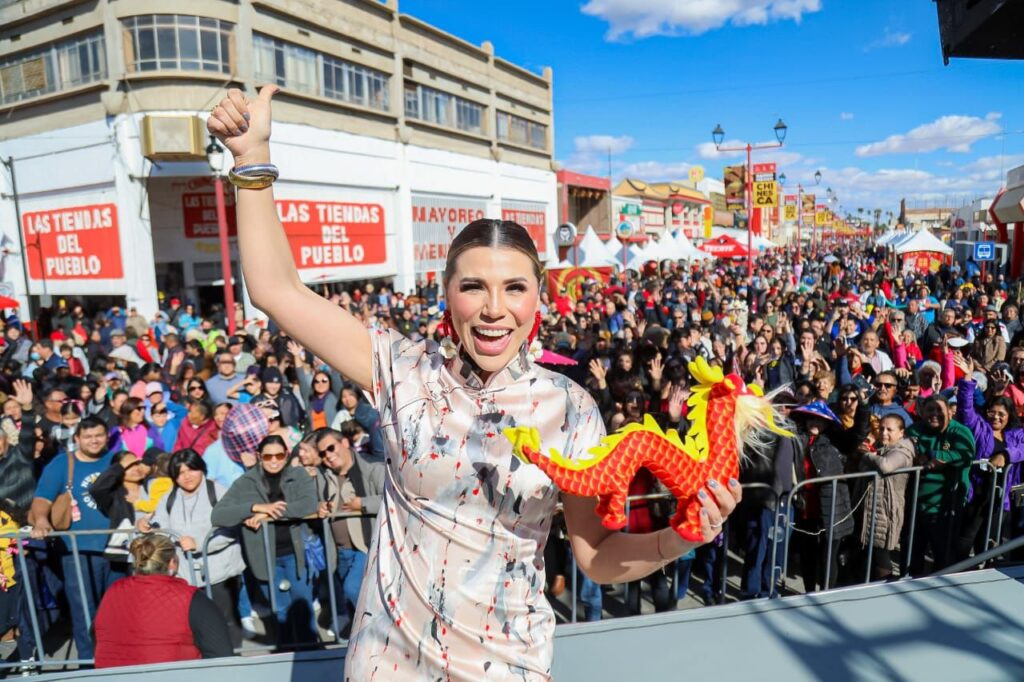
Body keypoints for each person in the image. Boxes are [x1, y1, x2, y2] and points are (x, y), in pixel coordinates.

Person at [210, 86, 741, 679]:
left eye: (514, 287)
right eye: (473, 287)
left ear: (539, 298)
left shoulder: (570, 408)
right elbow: (277, 292)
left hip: (509, 665)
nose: (494, 309)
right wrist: (251, 159)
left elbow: (596, 558)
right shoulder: (400, 368)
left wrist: (683, 537)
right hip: (387, 665)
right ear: (447, 295)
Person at [211, 435, 320, 648]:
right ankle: (286, 658)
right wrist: (255, 508)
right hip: (264, 557)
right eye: (268, 456)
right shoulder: (246, 481)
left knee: (303, 608)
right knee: (280, 611)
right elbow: (218, 515)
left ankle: (312, 657)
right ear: (259, 457)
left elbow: (308, 505)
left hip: (296, 554)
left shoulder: (298, 475)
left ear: (287, 455)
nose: (273, 460)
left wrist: (269, 515)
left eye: (279, 455)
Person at [29, 416, 121, 660]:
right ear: (77, 439)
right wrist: (41, 519)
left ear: (106, 437)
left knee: (117, 611)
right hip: (77, 552)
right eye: (88, 436)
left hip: (118, 549)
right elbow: (42, 498)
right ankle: (88, 664)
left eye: (99, 435)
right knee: (84, 613)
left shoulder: (117, 460)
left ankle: (118, 661)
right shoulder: (62, 463)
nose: (94, 440)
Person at [142, 449, 246, 646]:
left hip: (220, 572)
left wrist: (199, 543)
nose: (187, 477)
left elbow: (231, 528)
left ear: (202, 469)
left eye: (191, 469)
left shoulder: (219, 492)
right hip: (186, 576)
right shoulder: (169, 498)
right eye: (180, 473)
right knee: (197, 624)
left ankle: (232, 662)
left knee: (227, 620)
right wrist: (145, 526)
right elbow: (160, 528)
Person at [93, 533, 233, 667]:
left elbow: (95, 634)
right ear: (172, 563)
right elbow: (221, 656)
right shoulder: (192, 599)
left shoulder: (113, 592)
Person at [907, 396, 976, 575]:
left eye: (940, 410)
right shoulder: (915, 429)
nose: (935, 414)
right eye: (930, 410)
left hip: (945, 507)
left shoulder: (960, 432)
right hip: (915, 504)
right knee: (912, 557)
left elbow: (966, 454)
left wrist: (934, 455)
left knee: (944, 560)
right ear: (922, 412)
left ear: (949, 413)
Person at [857, 414, 915, 580]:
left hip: (887, 510)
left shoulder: (903, 451)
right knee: (870, 554)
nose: (884, 433)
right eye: (881, 428)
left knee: (881, 555)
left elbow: (886, 465)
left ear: (901, 433)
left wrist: (867, 454)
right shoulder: (881, 448)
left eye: (890, 429)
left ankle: (888, 588)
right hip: (872, 508)